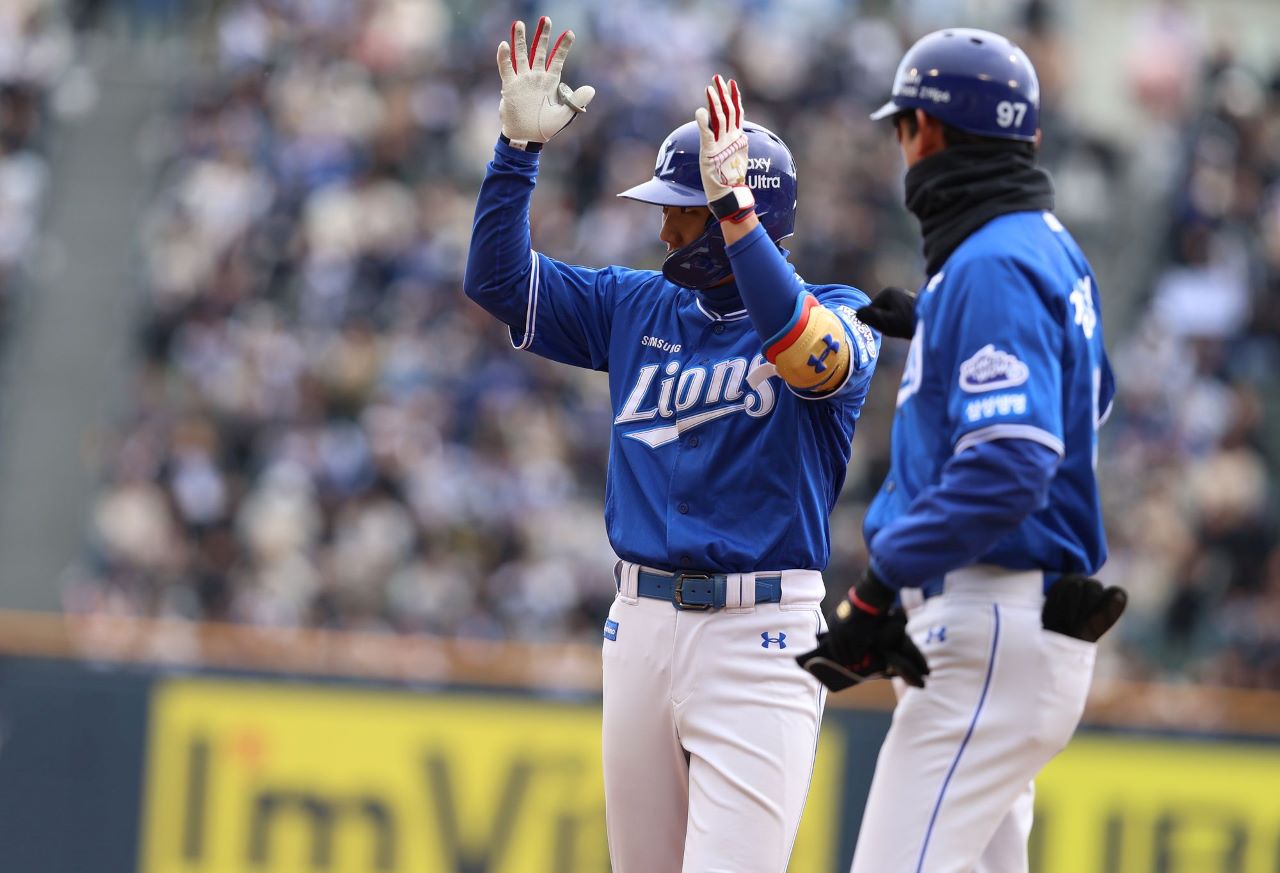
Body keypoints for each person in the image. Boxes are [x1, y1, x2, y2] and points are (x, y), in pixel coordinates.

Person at [464, 17, 896, 872]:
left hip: (760, 634)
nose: (664, 232)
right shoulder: (636, 305)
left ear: (744, 214)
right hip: (639, 624)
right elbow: (497, 281)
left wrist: (734, 217)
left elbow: (807, 355)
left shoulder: (842, 311)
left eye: (683, 214)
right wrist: (516, 154)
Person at [795, 28, 1128, 873]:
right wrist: (943, 328)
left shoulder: (991, 263)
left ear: (929, 130)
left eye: (904, 126)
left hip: (989, 620)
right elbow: (1092, 397)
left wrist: (878, 586)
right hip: (1017, 625)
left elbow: (1010, 464)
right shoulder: (1049, 247)